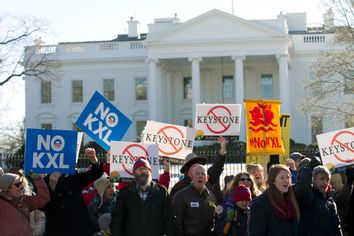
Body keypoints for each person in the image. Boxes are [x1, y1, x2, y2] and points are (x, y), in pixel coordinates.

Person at [41, 147, 103, 236]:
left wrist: (94, 160)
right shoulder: (44, 181)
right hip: (58, 230)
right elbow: (43, 206)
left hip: (79, 228)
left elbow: (95, 174)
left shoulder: (72, 176)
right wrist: (51, 187)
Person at [110, 158, 174, 236]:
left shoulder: (161, 192)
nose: (142, 171)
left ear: (150, 172)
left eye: (145, 169)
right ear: (134, 173)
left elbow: (169, 220)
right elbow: (117, 220)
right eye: (139, 169)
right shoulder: (124, 193)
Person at [295, 157, 343, 236]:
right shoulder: (309, 197)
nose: (325, 182)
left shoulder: (330, 201)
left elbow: (337, 226)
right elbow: (302, 191)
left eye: (327, 179)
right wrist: (308, 169)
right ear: (313, 180)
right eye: (321, 179)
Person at [249, 164, 300, 236]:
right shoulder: (260, 204)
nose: (286, 180)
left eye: (288, 177)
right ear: (273, 181)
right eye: (282, 178)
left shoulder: (291, 201)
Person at [0, 172, 50, 236]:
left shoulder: (24, 199)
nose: (21, 187)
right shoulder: (1, 204)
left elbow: (43, 198)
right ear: (7, 189)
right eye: (17, 185)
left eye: (21, 183)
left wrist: (38, 179)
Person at [173, 164, 217, 236]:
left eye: (203, 174)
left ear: (207, 178)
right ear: (192, 177)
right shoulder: (181, 196)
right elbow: (176, 224)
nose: (200, 176)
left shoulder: (212, 197)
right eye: (197, 173)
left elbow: (213, 222)